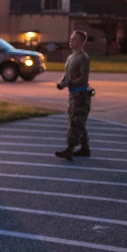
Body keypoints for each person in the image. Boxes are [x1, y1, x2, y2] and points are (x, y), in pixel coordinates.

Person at [55, 30, 93, 160]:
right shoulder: (70, 57)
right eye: (71, 39)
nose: (71, 41)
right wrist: (62, 82)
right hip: (73, 94)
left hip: (81, 94)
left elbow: (83, 78)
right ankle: (85, 148)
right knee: (77, 121)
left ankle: (69, 150)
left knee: (76, 123)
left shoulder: (83, 58)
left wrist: (69, 83)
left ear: (82, 42)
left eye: (75, 39)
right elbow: (67, 73)